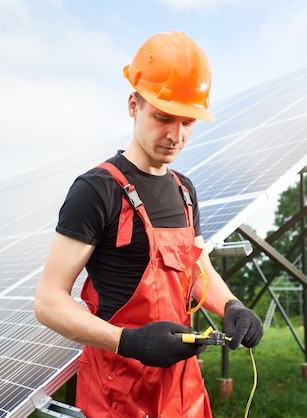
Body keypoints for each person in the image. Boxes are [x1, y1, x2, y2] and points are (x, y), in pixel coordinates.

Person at [34, 30, 263, 418]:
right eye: (162, 117)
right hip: (117, 394)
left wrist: (232, 306)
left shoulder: (184, 191)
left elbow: (197, 269)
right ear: (133, 105)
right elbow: (48, 302)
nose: (176, 135)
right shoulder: (97, 190)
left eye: (188, 121)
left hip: (181, 391)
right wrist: (129, 342)